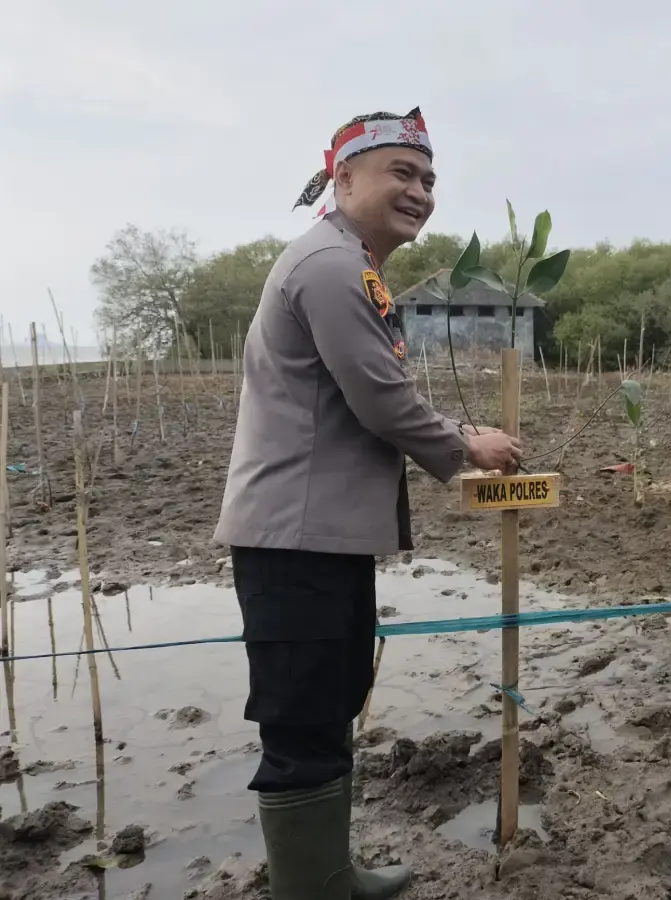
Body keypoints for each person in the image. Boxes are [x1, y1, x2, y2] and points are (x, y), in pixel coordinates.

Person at [213, 108, 521, 900]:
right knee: (303, 721)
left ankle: (329, 875)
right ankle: (312, 888)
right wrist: (467, 446)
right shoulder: (330, 267)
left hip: (321, 537)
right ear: (344, 178)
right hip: (295, 539)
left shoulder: (352, 266)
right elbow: (381, 399)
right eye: (401, 174)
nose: (419, 192)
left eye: (428, 180)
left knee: (328, 704)